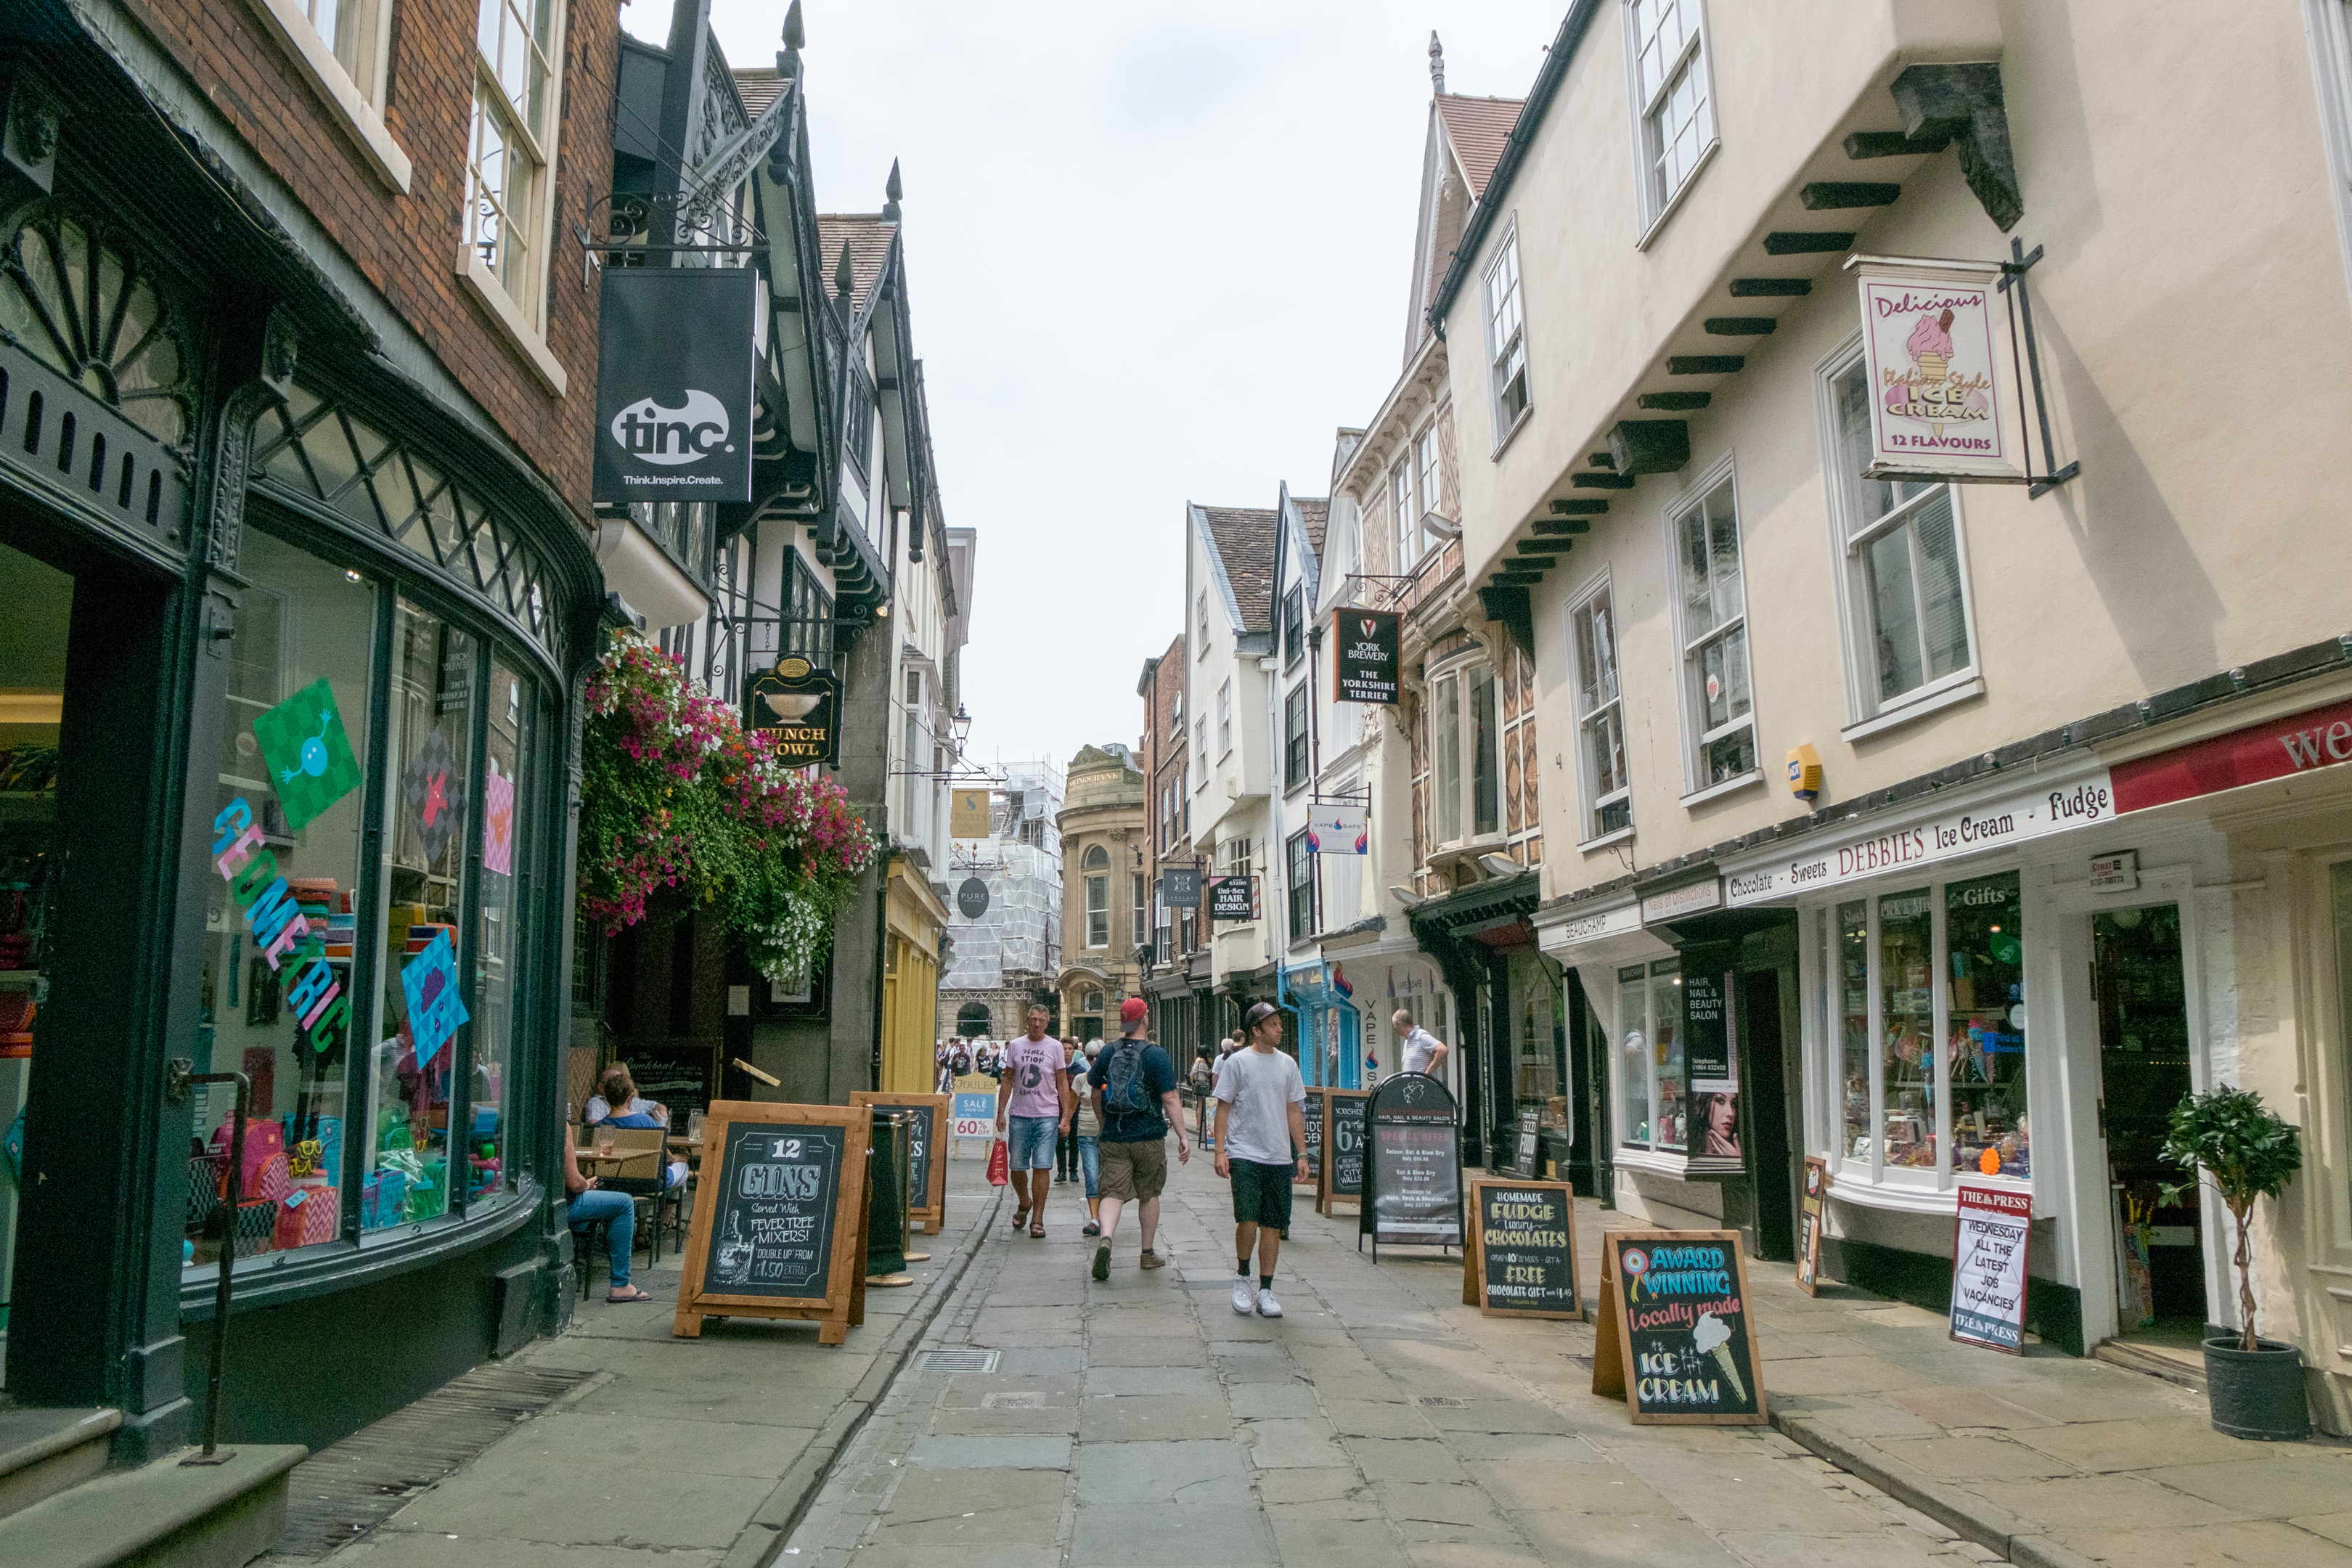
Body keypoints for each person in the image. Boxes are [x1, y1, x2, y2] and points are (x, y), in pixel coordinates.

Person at [1214, 1001, 1308, 1318]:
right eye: (1273, 1024)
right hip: (1245, 1153)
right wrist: (1219, 1151)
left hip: (1279, 1156)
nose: (1280, 1028)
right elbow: (1223, 1108)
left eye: (1280, 1023)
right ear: (1256, 1031)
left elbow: (1293, 1110)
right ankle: (1243, 1277)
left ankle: (1266, 1288)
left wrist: (1302, 1154)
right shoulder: (1238, 1063)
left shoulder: (1288, 1065)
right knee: (1248, 1219)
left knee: (1272, 1224)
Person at [1087, 997, 1187, 1280]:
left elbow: (1095, 1092)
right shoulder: (1157, 1055)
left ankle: (1106, 1238)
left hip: (1114, 1136)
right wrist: (1183, 1136)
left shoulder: (1107, 1052)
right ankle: (1147, 1254)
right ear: (1145, 1019)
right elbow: (1169, 1098)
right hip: (1149, 1136)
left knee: (1112, 1193)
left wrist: (1104, 1123)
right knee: (1149, 1193)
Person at [995, 1005, 1074, 1236]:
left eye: (1041, 1020)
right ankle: (1024, 1202)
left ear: (1047, 1023)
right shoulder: (1016, 1045)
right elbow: (1008, 1079)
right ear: (1027, 1021)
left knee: (1042, 1166)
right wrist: (1001, 1111)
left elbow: (1062, 1082)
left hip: (1047, 1116)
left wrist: (1066, 1115)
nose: (1037, 1024)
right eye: (1033, 1019)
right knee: (1017, 1167)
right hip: (1019, 1114)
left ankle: (1037, 1220)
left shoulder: (1055, 1047)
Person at [564, 1123, 650, 1303]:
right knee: (624, 1203)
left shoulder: (516, 1117)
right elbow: (573, 1182)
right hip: (562, 1205)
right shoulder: (560, 1125)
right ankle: (620, 1285)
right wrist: (587, 1185)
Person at [584, 1064, 687, 1188]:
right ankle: (665, 1207)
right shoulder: (646, 1122)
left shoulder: (602, 1126)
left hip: (613, 1183)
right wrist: (675, 1157)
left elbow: (606, 1158)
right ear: (630, 1098)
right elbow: (666, 1158)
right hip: (647, 1184)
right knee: (683, 1167)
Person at [1074, 1041, 1105, 1234]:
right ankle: (1095, 1219)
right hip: (1086, 1132)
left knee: (1110, 1178)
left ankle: (1106, 1214)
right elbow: (1070, 1105)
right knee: (1092, 1175)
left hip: (1109, 1135)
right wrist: (1065, 1123)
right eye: (1090, 1057)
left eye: (1098, 1057)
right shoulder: (1080, 1080)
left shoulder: (1112, 1079)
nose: (1094, 1060)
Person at [1057, 1040, 1087, 1182]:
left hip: (1076, 1111)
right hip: (1058, 1109)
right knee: (1060, 1142)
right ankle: (1061, 1171)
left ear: (1074, 1052)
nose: (1067, 1051)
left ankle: (1073, 1171)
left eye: (1069, 1049)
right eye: (1064, 1049)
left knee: (1074, 1141)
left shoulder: (1079, 1070)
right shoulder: (1056, 1069)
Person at [1392, 1010, 1449, 1079]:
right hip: (1410, 1087)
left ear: (1399, 1024)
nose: (1394, 1029)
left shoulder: (1421, 1036)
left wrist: (1428, 1071)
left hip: (1422, 1087)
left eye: (1394, 1025)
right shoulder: (1407, 1041)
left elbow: (1443, 1050)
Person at [1189, 1048, 1215, 1147]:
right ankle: (1202, 1124)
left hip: (1197, 1085)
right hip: (1203, 1084)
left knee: (1199, 1104)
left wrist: (1193, 1083)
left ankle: (1198, 1123)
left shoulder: (1195, 1061)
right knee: (1203, 1104)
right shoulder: (1202, 1061)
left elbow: (1192, 1074)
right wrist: (1212, 1067)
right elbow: (1207, 1074)